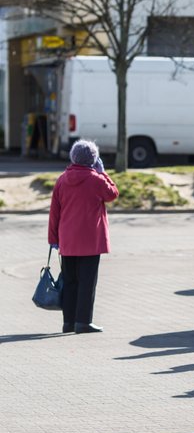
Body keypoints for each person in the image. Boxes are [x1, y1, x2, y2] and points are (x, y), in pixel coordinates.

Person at [48, 140, 119, 334]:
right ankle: (83, 321)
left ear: (73, 157)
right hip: (90, 240)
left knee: (70, 280)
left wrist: (52, 238)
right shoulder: (96, 180)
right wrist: (103, 172)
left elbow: (54, 212)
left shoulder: (62, 179)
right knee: (87, 282)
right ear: (94, 159)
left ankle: (68, 322)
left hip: (67, 239)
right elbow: (112, 194)